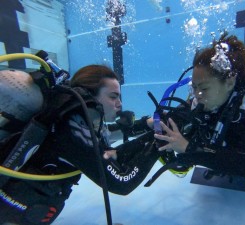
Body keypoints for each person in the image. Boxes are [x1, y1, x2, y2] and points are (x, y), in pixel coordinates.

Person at [0, 64, 159, 225]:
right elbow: (121, 183)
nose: (119, 104)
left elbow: (109, 137)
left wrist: (150, 124)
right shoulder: (70, 128)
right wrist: (159, 143)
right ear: (90, 96)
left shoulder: (74, 118)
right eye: (113, 97)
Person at [154, 33, 245, 179]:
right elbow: (176, 117)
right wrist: (154, 122)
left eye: (204, 88)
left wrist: (188, 148)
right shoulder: (201, 101)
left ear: (230, 82)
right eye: (194, 87)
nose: (197, 95)